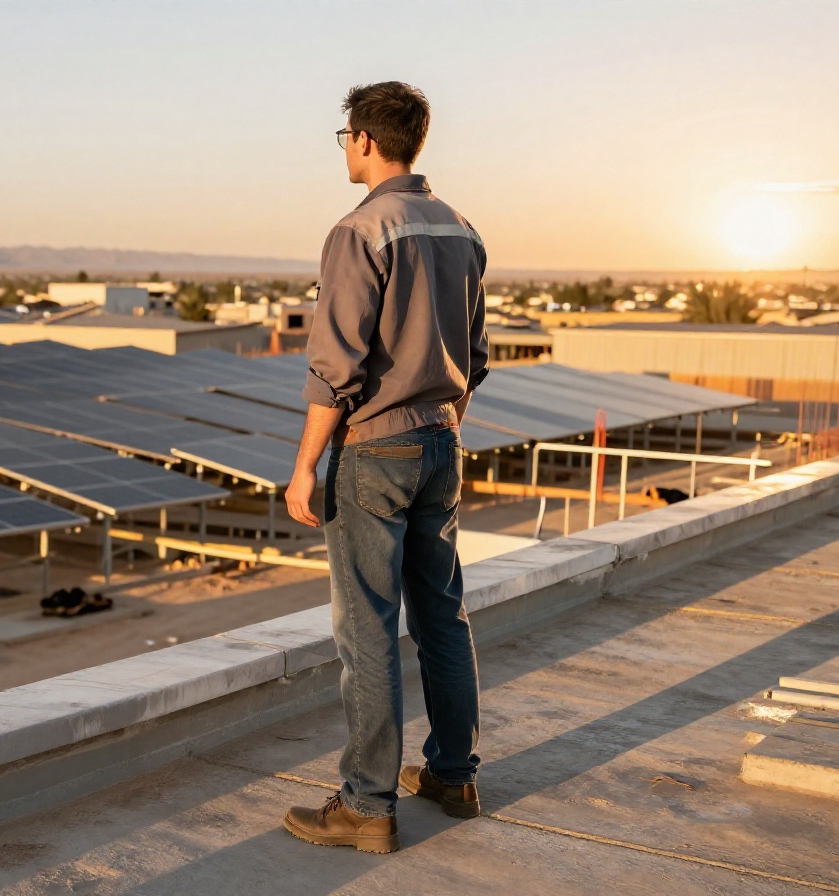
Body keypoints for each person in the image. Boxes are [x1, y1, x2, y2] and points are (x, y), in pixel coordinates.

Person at [280, 81, 489, 854]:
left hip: (376, 447)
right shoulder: (462, 230)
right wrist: (440, 426)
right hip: (443, 440)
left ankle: (366, 805)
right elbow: (476, 357)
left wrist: (305, 468)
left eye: (344, 135)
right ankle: (452, 773)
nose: (344, 146)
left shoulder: (360, 230)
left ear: (365, 139)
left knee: (366, 627)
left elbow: (336, 368)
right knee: (442, 610)